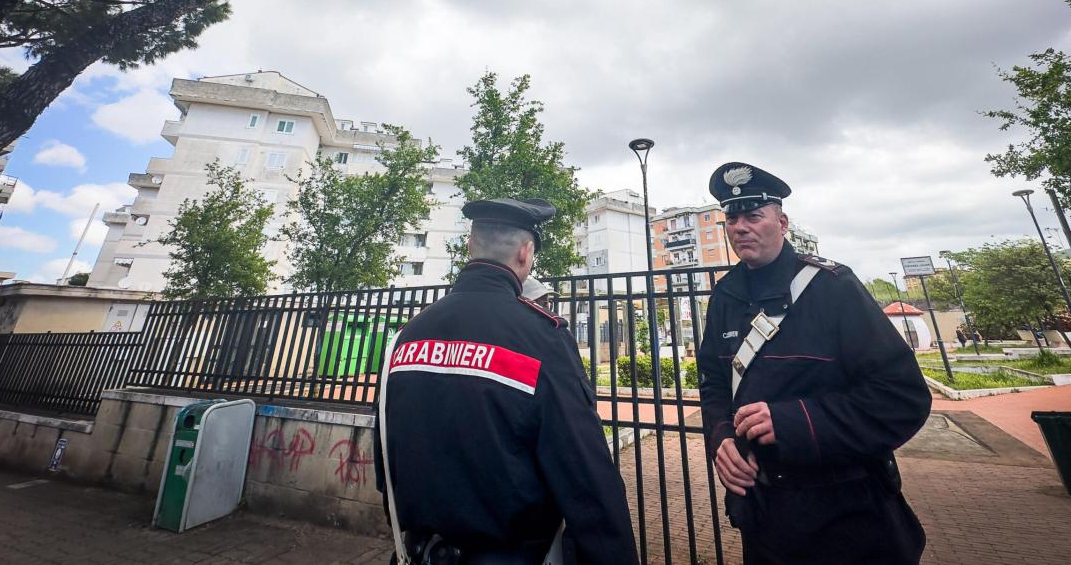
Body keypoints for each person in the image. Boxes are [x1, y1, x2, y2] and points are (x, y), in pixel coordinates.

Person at [376, 197, 638, 565]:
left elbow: (384, 456)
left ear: (469, 246)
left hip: (415, 552)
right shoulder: (542, 337)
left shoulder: (407, 335)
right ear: (525, 253)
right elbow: (586, 481)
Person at [696, 163, 932, 565]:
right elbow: (714, 383)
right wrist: (722, 439)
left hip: (847, 514)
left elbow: (902, 397)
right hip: (765, 513)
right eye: (732, 219)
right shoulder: (726, 295)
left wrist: (791, 422)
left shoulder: (831, 286)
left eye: (754, 216)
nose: (740, 227)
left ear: (782, 222)